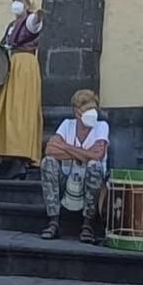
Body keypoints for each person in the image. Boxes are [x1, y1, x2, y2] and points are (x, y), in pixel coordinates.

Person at [0, 0, 44, 178]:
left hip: (24, 65)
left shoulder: (30, 21)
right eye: (14, 0)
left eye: (20, 1)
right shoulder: (11, 25)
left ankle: (19, 158)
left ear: (27, 4)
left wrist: (39, 15)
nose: (16, 4)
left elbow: (35, 23)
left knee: (19, 109)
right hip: (9, 65)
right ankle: (6, 158)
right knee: (3, 110)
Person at [39, 89, 109, 243]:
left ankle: (87, 225)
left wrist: (65, 147)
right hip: (67, 179)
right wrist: (84, 154)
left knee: (95, 166)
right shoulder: (67, 125)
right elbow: (50, 150)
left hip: (89, 183)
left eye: (94, 109)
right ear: (77, 112)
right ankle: (54, 222)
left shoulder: (101, 126)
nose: (93, 114)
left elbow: (98, 155)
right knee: (48, 162)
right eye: (88, 110)